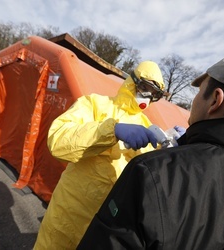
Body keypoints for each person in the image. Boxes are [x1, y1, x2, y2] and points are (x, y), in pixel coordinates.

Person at [78, 52, 224, 249]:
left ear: (215, 100)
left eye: (199, 92)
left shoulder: (151, 174)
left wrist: (175, 162)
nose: (194, 100)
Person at [34, 61, 176, 249]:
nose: (148, 96)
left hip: (107, 225)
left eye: (155, 94)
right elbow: (58, 141)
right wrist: (111, 131)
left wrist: (172, 148)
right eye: (145, 87)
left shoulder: (146, 125)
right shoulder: (94, 104)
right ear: (131, 82)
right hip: (69, 215)